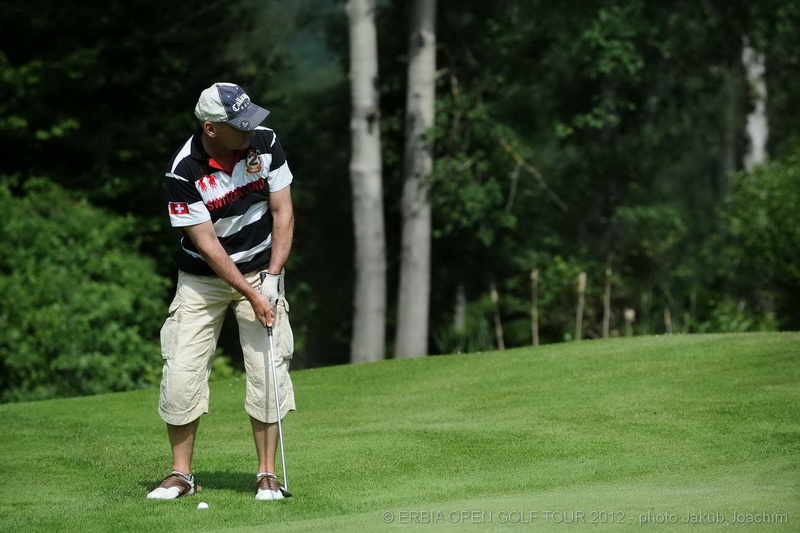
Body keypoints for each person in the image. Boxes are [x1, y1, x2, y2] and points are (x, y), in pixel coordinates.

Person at [146, 82, 295, 501]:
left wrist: (271, 277)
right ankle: (181, 475)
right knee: (181, 372)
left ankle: (267, 474)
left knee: (268, 372)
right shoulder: (183, 170)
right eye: (240, 125)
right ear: (211, 128)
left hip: (263, 269)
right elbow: (207, 244)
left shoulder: (265, 142)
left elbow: (282, 211)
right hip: (203, 279)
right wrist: (250, 293)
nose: (250, 130)